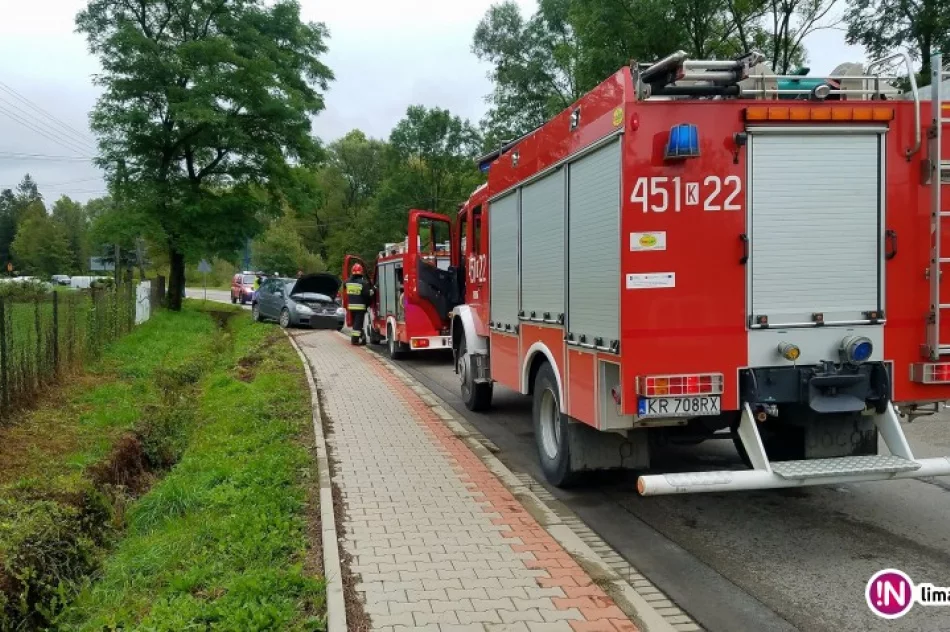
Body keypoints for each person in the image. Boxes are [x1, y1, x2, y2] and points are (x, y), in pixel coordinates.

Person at [344, 263, 373, 345]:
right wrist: (372, 291)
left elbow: (345, 284)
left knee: (355, 324)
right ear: (361, 273)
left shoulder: (347, 282)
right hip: (360, 307)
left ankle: (360, 336)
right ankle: (355, 340)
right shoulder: (363, 283)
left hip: (351, 307)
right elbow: (367, 295)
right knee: (358, 324)